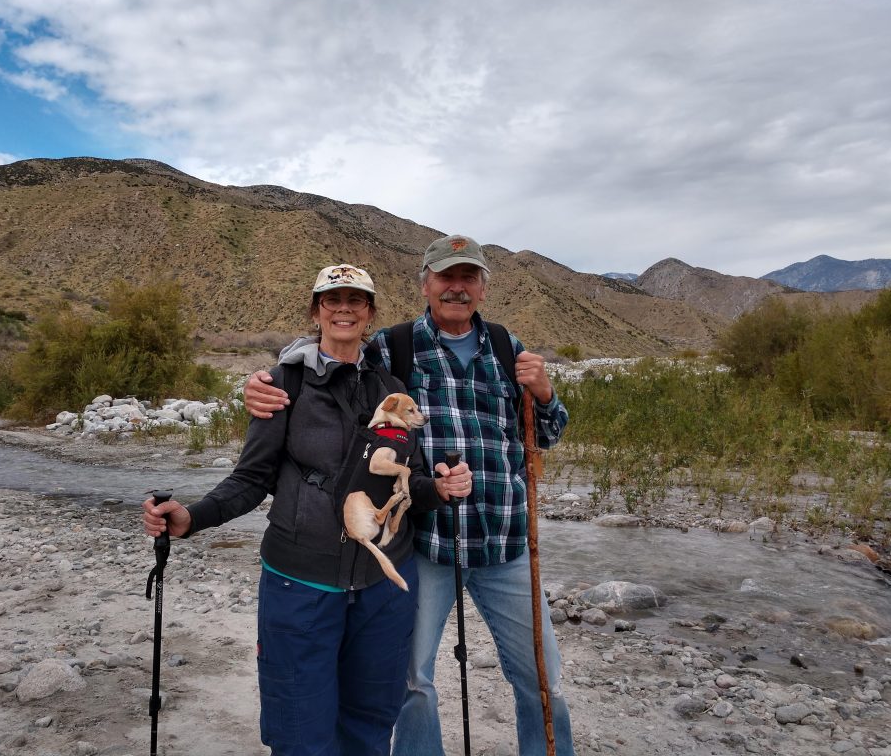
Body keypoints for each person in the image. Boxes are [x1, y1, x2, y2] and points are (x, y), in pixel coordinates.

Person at [244, 235, 575, 756]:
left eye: (468, 278)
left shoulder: (510, 350)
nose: (456, 288)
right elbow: (330, 353)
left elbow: (547, 436)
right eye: (446, 277)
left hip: (505, 542)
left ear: (483, 289)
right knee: (412, 683)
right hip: (424, 543)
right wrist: (266, 379)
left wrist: (545, 394)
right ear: (426, 283)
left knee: (542, 678)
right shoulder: (394, 346)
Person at [143, 264, 473, 756]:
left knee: (371, 720)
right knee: (300, 727)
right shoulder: (283, 384)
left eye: (355, 301)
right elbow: (251, 479)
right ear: (316, 311)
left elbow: (410, 482)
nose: (343, 309)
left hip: (385, 587)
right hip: (300, 583)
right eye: (331, 300)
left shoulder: (390, 387)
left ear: (369, 315)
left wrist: (442, 489)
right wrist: (192, 517)